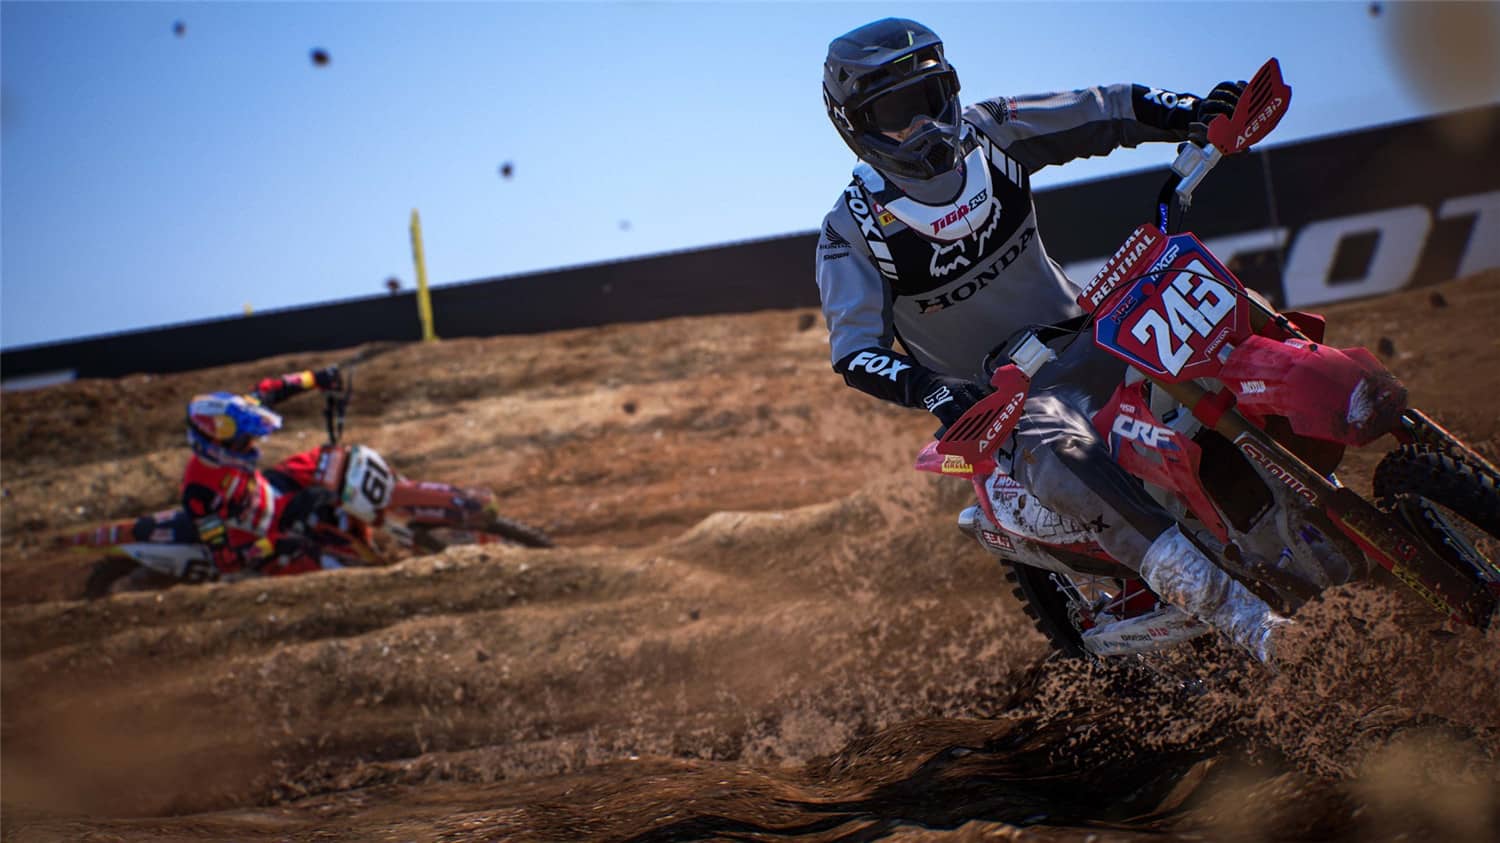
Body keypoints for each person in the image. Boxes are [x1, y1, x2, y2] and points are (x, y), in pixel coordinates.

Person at [815, 18, 1288, 662]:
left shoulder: (992, 131)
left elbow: (1103, 110)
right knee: (1060, 453)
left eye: (929, 101)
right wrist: (934, 391)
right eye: (897, 115)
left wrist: (1190, 112)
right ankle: (1245, 620)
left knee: (1223, 309)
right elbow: (854, 352)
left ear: (951, 91)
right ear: (856, 126)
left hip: (1098, 334)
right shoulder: (851, 229)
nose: (923, 126)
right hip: (1010, 401)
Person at [177, 366, 346, 579]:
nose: (250, 445)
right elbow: (226, 560)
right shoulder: (198, 492)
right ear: (213, 445)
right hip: (259, 537)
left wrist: (315, 378)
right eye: (242, 442)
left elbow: (271, 389)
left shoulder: (240, 415)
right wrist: (273, 545)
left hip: (271, 493)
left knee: (336, 460)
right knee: (322, 566)